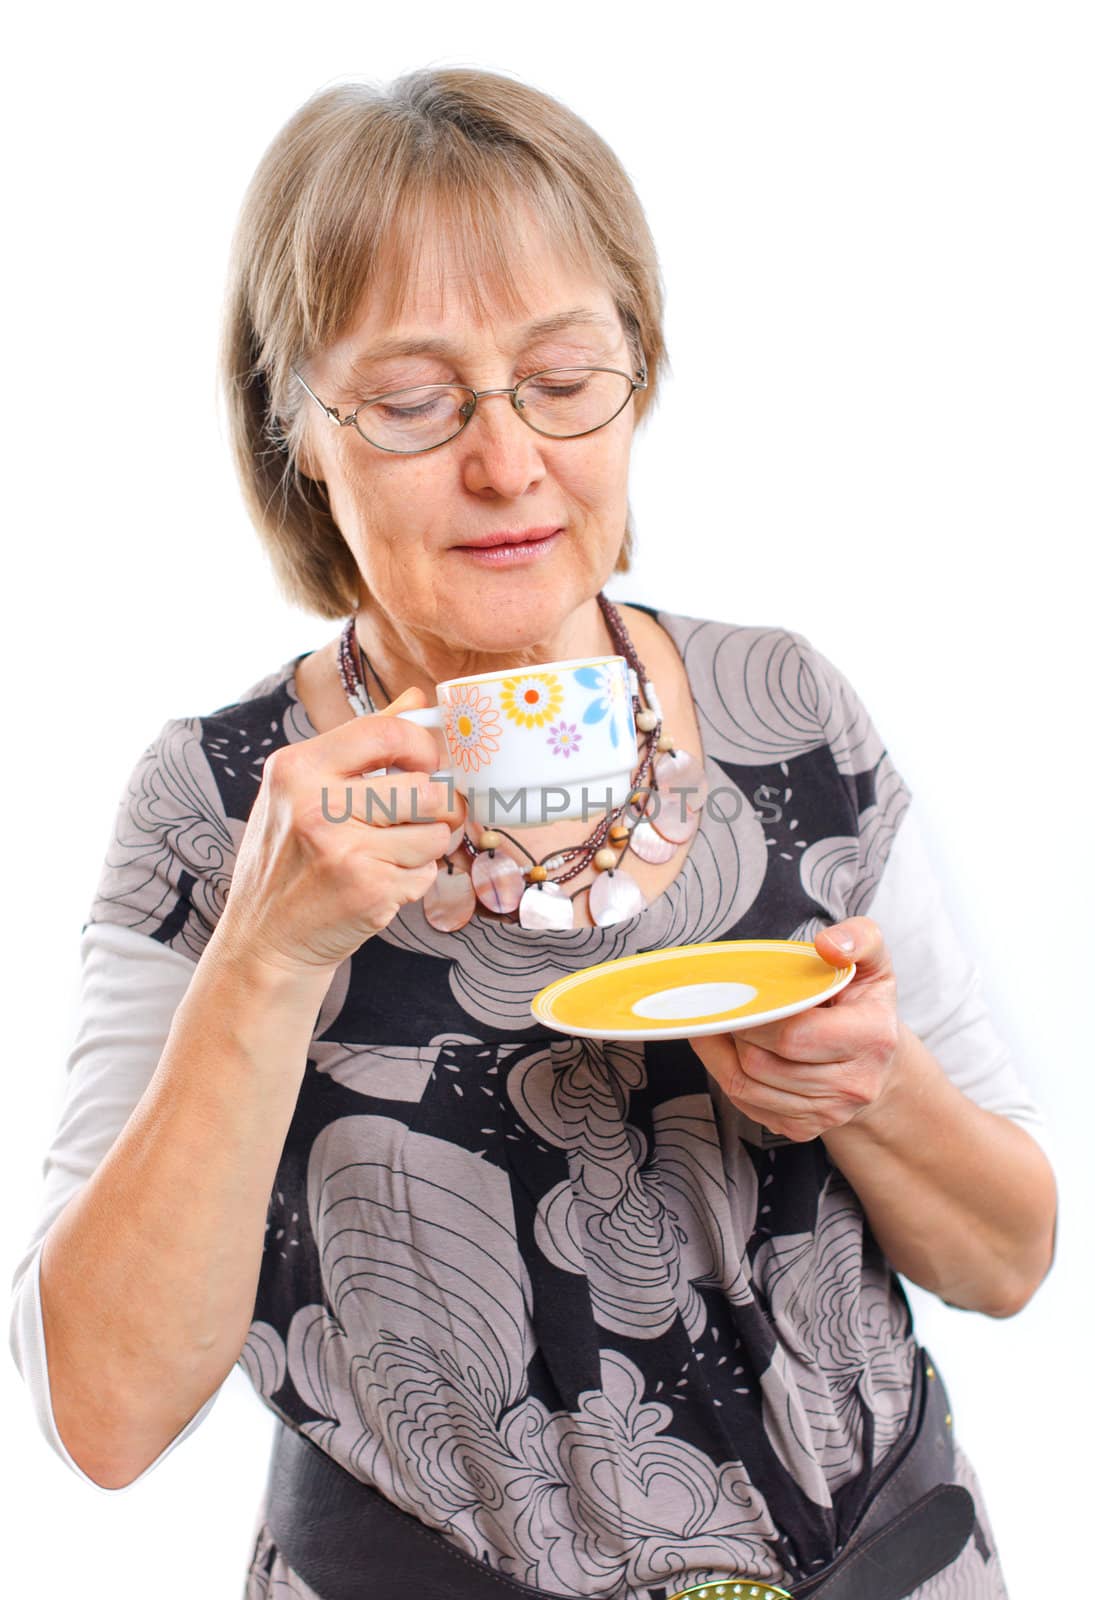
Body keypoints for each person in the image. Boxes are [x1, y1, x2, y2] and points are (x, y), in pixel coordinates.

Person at [9, 69, 1057, 1600]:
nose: (509, 467)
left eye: (563, 380)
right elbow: (96, 1413)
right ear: (300, 425)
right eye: (419, 401)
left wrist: (868, 1084)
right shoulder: (222, 803)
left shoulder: (790, 710)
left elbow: (1009, 1259)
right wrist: (269, 949)